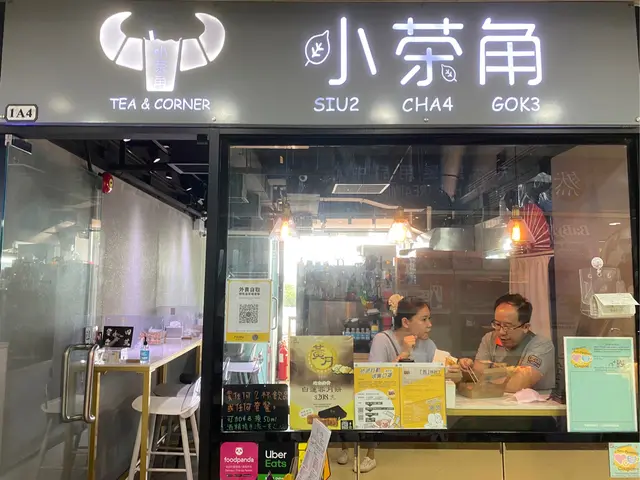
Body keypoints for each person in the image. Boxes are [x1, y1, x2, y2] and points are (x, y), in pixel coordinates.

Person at [337, 295, 458, 473]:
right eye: (424, 319)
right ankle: (367, 453)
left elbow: (438, 371)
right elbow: (374, 380)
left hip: (416, 407)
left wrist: (455, 367)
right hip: (388, 403)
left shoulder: (428, 344)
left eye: (429, 319)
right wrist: (403, 355)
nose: (430, 324)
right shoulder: (382, 340)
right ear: (406, 322)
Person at [458, 293, 555, 392]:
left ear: (525, 327)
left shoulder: (542, 345)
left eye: (508, 326)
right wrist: (467, 370)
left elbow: (517, 385)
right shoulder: (490, 339)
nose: (501, 332)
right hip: (494, 399)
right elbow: (477, 375)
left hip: (533, 401)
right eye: (497, 324)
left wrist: (485, 378)